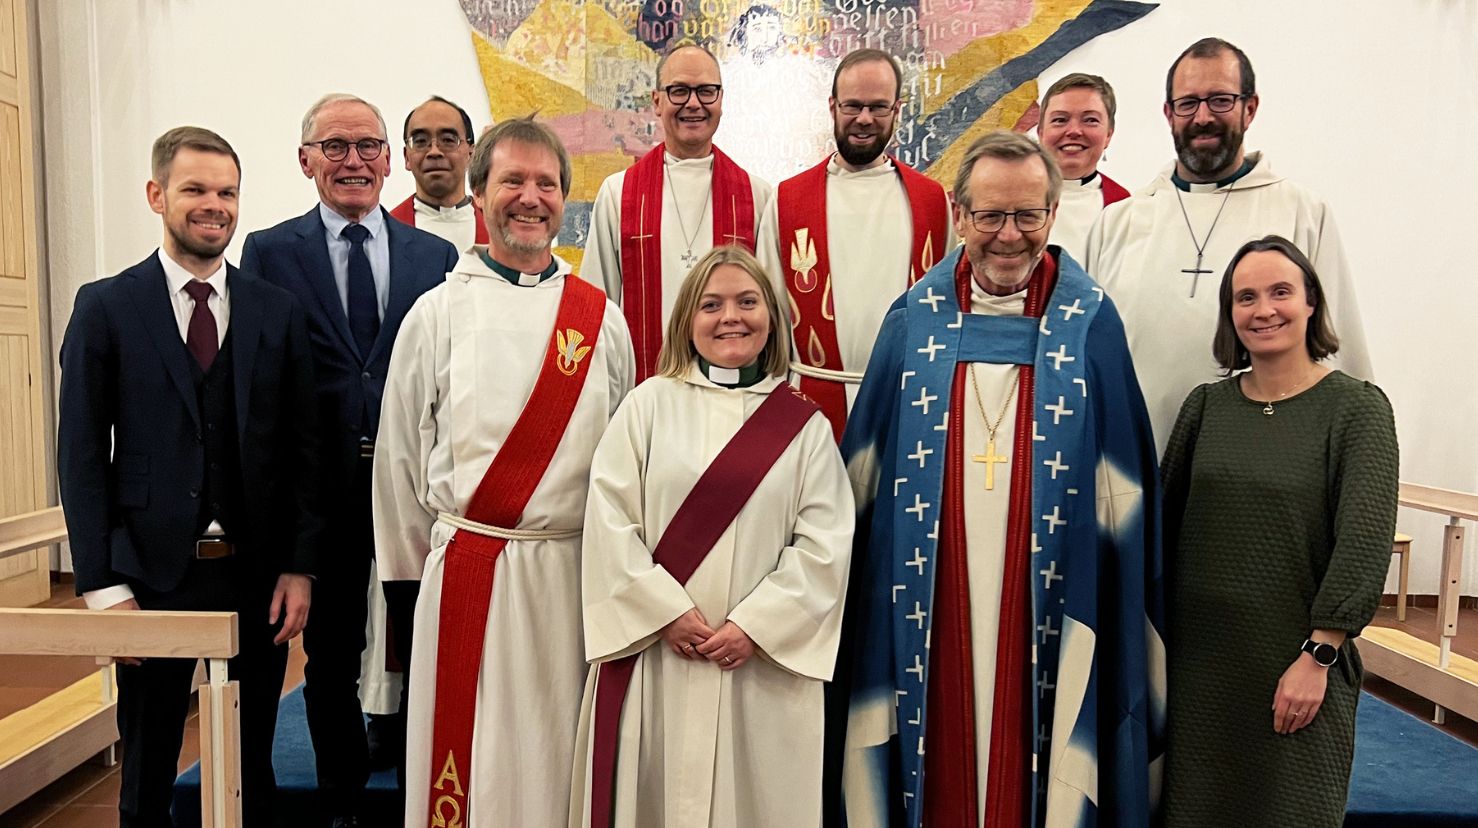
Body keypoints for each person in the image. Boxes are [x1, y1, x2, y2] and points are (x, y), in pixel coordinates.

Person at [836, 130, 1164, 827]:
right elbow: (861, 484)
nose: (1008, 235)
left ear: (1053, 214)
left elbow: (1124, 489)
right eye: (990, 215)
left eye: (1028, 216)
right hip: (928, 594)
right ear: (960, 216)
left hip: (1055, 598)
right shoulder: (913, 323)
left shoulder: (1090, 324)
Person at [373, 116, 635, 827]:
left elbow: (624, 459)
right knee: (474, 764)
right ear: (480, 191)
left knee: (557, 759)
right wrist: (407, 585)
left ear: (563, 200)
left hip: (570, 577)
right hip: (468, 575)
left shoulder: (601, 319)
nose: (530, 197)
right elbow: (398, 464)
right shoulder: (436, 313)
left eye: (546, 183)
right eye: (513, 180)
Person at [57, 126, 321, 827]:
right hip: (148, 576)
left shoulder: (276, 311)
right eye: (196, 190)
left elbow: (302, 449)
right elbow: (81, 456)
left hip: (255, 576)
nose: (215, 205)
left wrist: (299, 566)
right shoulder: (106, 307)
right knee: (147, 765)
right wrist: (102, 588)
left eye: (228, 192)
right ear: (156, 195)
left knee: (251, 764)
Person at [570, 246, 854, 827]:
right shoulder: (647, 405)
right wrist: (664, 612)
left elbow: (825, 543)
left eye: (748, 302)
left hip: (760, 666)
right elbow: (609, 519)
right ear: (686, 321)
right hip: (659, 653)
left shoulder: (804, 427)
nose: (732, 317)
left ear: (772, 315)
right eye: (712, 304)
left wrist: (756, 626)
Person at [241, 93, 459, 825]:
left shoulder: (437, 256)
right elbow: (264, 374)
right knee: (332, 660)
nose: (354, 161)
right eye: (335, 147)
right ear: (305, 160)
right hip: (320, 486)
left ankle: (429, 795)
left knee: (425, 648)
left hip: (415, 489)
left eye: (368, 146)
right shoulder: (270, 253)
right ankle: (341, 803)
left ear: (388, 160)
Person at [1160, 235, 1398, 828]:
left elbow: (1364, 540)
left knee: (1292, 810)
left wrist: (1319, 655)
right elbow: (1162, 526)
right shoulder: (1206, 407)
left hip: (1295, 662)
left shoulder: (1356, 410)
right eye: (1246, 297)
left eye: (1280, 292)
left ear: (1311, 303)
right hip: (1201, 667)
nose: (1263, 310)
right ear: (1230, 314)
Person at [1084, 37, 1371, 454]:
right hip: (1131, 463)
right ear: (1169, 114)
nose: (1203, 117)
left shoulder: (1301, 212)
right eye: (1188, 103)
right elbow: (1088, 356)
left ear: (1249, 108)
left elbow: (1334, 344)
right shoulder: (1119, 222)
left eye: (1220, 100)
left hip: (1259, 465)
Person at [756, 48, 953, 441]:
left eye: (878, 107)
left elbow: (949, 314)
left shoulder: (932, 202)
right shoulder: (789, 200)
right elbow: (767, 313)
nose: (864, 118)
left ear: (897, 110)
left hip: (906, 401)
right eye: (853, 106)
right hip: (810, 402)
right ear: (832, 107)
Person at [582, 43, 772, 382]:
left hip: (733, 396)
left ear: (721, 99)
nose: (694, 104)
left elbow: (768, 312)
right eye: (679, 91)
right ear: (657, 101)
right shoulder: (618, 193)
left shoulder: (757, 196)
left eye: (706, 91)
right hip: (642, 392)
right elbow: (597, 311)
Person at [1035, 72, 1128, 262]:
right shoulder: (1006, 197)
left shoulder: (1126, 209)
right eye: (1060, 119)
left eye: (1090, 120)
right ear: (1041, 132)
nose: (1074, 131)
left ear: (1108, 134)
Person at [389, 95, 489, 251]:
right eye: (420, 141)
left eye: (448, 140)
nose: (434, 152)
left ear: (471, 154)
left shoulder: (498, 227)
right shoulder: (388, 232)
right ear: (406, 157)